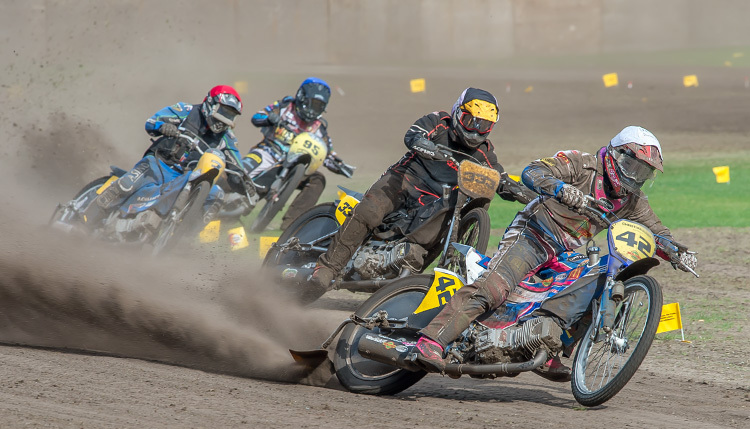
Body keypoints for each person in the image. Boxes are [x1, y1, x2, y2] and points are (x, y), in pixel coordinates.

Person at [407, 125, 698, 378]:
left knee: (592, 292)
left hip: (563, 252)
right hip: (533, 234)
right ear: (617, 155)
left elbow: (657, 231)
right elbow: (532, 171)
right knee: (494, 288)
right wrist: (560, 189)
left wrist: (678, 252)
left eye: (644, 172)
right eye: (634, 167)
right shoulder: (581, 164)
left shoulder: (633, 200)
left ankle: (541, 347)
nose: (637, 177)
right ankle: (432, 340)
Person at [304, 87, 536, 299]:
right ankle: (327, 267)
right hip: (403, 181)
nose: (475, 131)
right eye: (470, 121)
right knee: (371, 211)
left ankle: (406, 279)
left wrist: (521, 192)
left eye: (483, 126)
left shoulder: (484, 154)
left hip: (435, 201)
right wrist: (426, 145)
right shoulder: (438, 121)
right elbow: (413, 135)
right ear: (458, 112)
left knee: (436, 235)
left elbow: (499, 176)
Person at [82, 85, 250, 227]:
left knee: (216, 196)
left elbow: (237, 166)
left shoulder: (227, 138)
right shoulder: (186, 110)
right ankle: (83, 221)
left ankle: (185, 237)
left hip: (185, 179)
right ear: (210, 104)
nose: (224, 120)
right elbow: (152, 121)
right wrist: (164, 126)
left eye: (230, 116)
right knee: (126, 184)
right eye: (223, 112)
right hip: (158, 163)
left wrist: (244, 182)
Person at [241, 77, 354, 230]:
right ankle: (214, 198)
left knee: (318, 179)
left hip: (294, 167)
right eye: (311, 104)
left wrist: (339, 165)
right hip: (268, 152)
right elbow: (257, 117)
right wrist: (270, 118)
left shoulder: (319, 127)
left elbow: (327, 153)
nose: (313, 110)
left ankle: (292, 225)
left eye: (318, 107)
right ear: (301, 98)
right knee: (239, 174)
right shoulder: (285, 106)